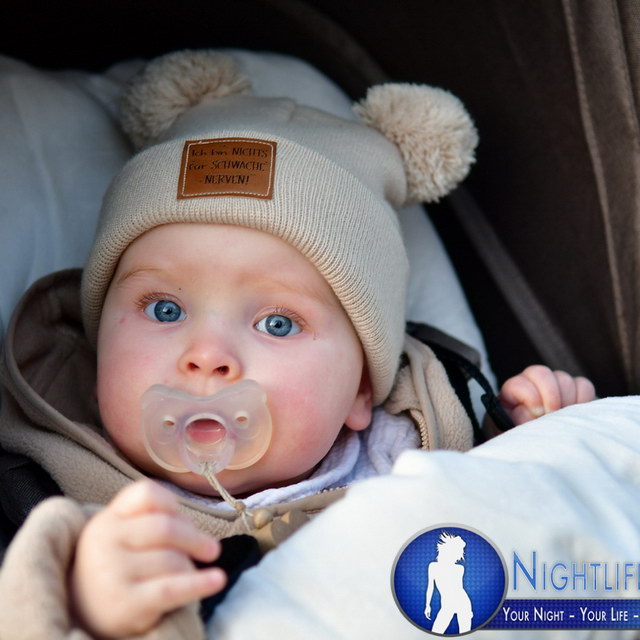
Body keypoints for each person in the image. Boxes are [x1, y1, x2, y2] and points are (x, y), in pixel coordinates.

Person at [0, 49, 595, 640]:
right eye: (165, 309)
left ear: (360, 391)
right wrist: (82, 609)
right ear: (98, 351)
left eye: (278, 324)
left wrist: (539, 449)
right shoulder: (42, 497)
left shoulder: (426, 452)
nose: (207, 355)